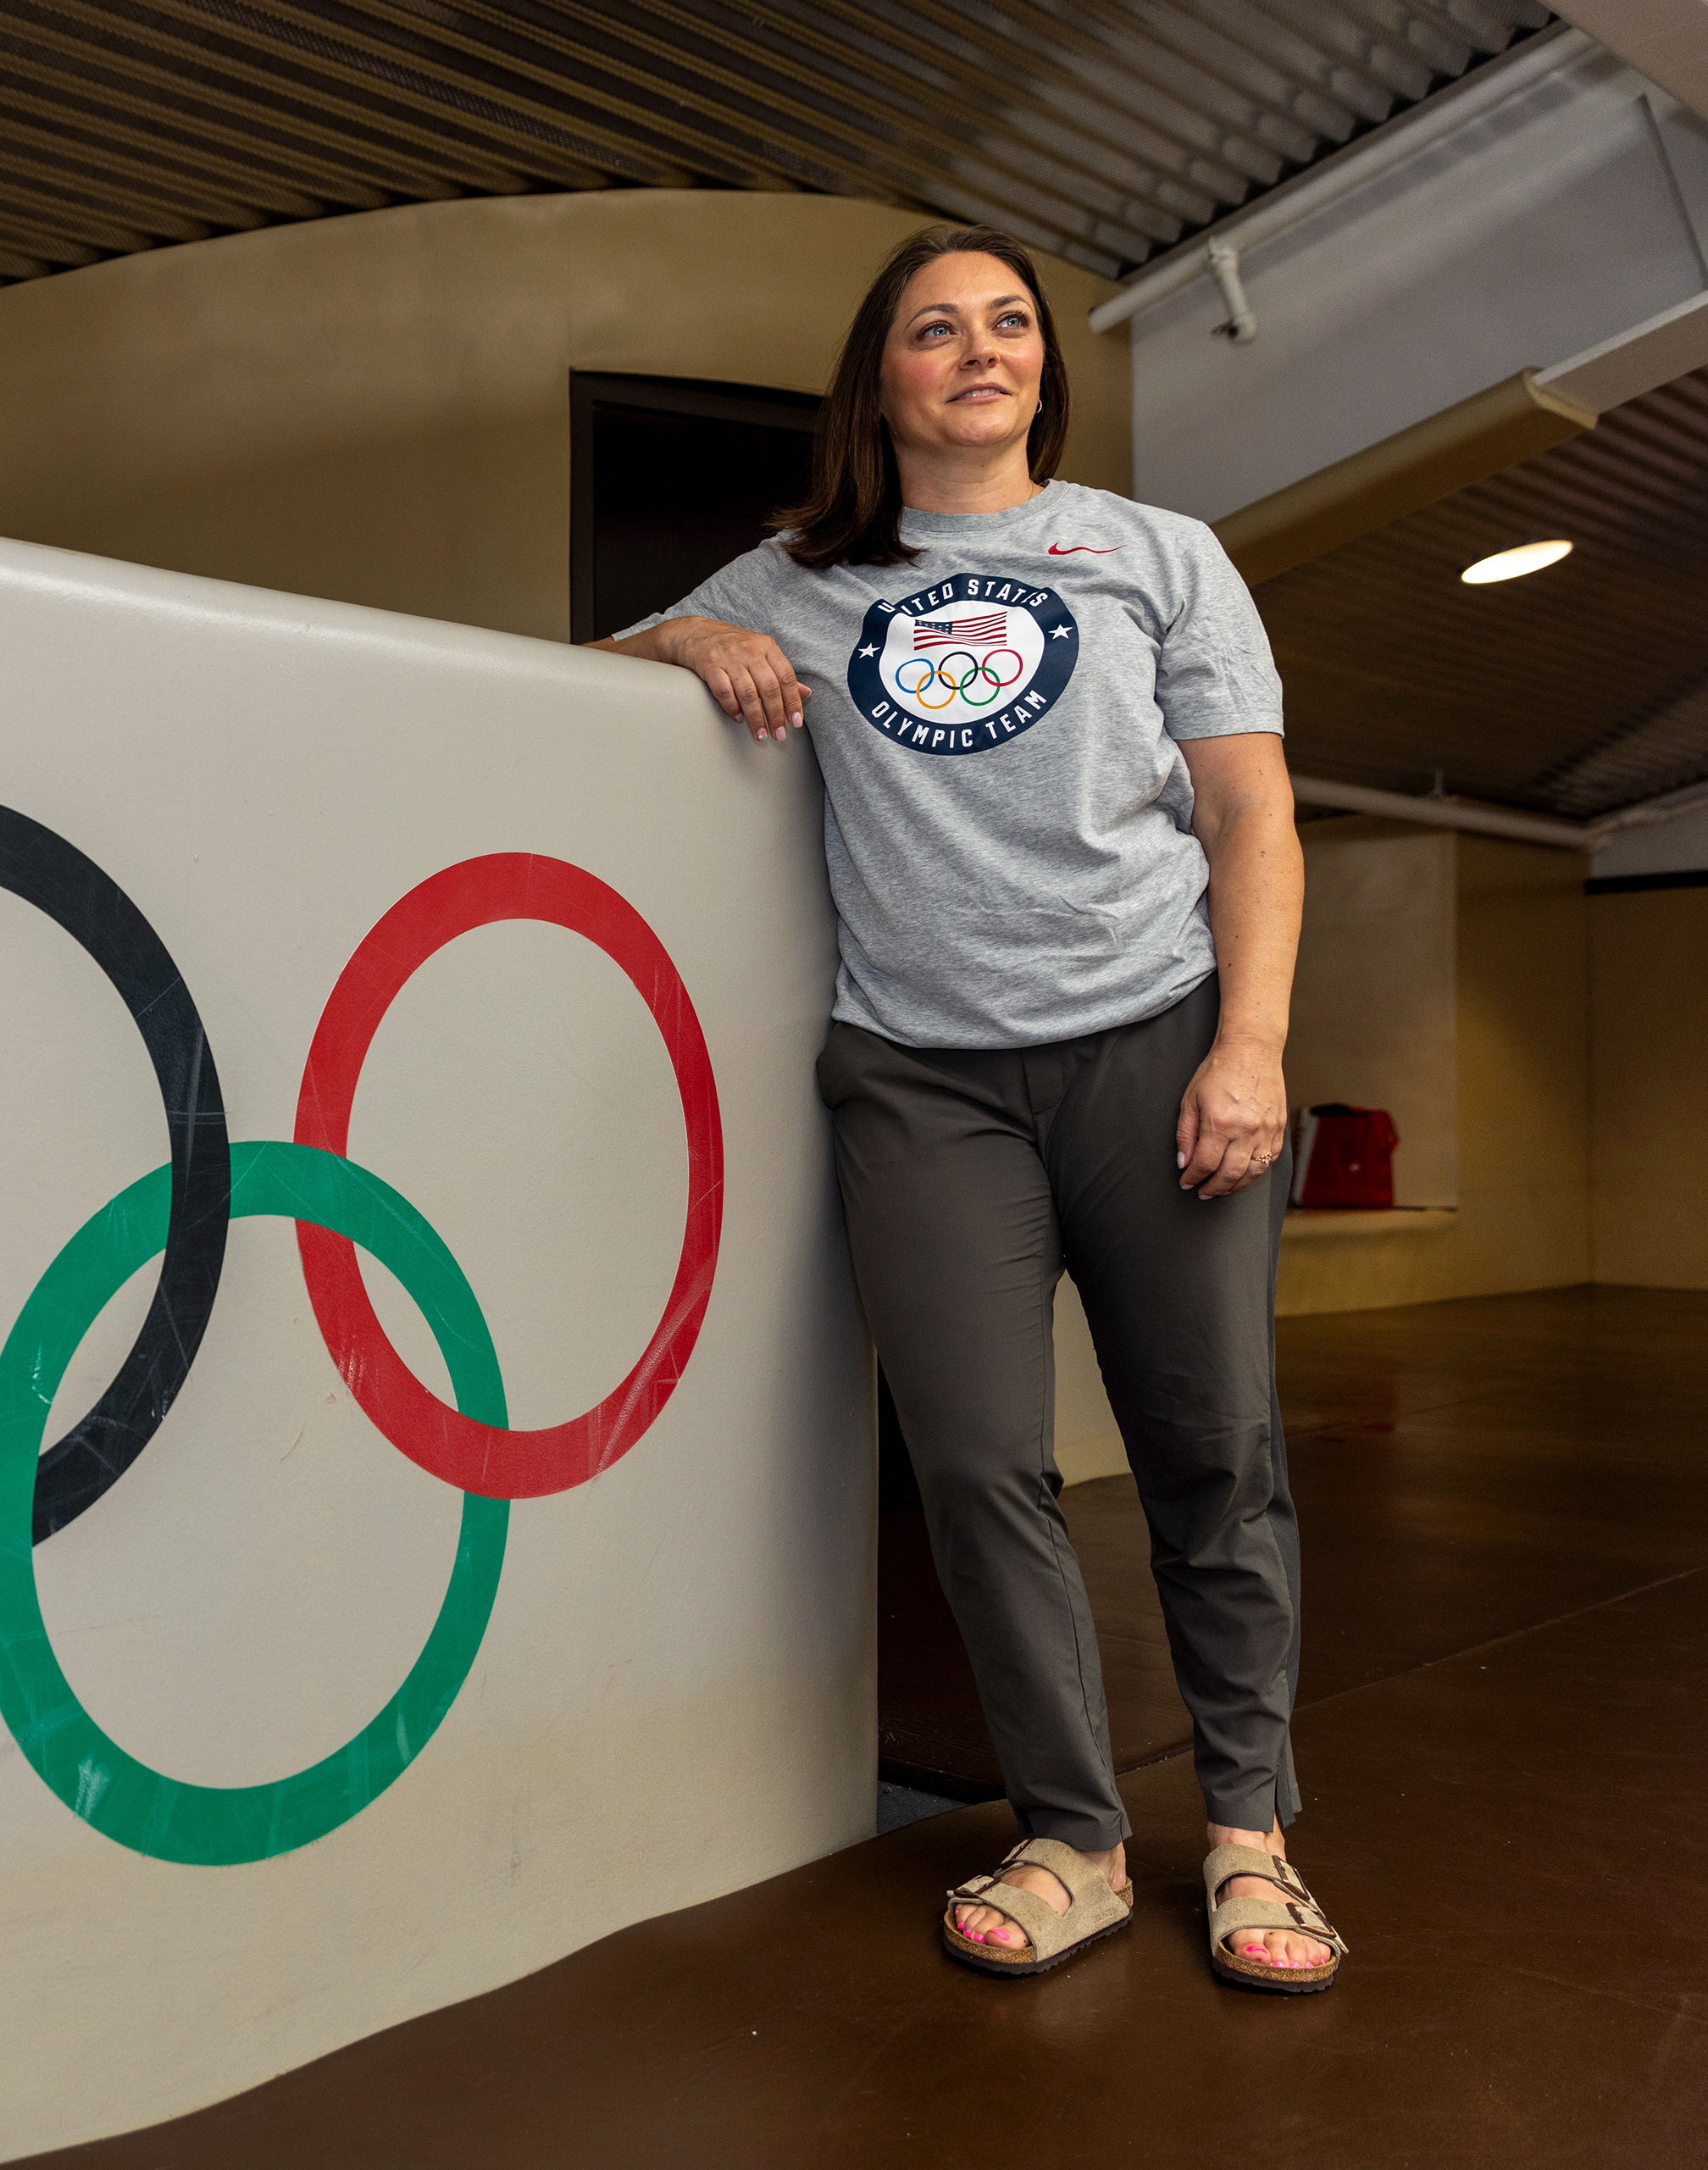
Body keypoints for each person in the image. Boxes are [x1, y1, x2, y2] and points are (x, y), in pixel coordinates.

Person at [598, 225, 1341, 1992]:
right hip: (922, 1077)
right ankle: (1073, 1834)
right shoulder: (800, 572)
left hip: (1156, 1042)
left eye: (1009, 323)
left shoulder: (1154, 552)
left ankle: (1251, 1833)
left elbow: (1252, 818)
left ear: (1042, 371)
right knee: (981, 1467)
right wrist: (691, 638)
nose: (981, 349)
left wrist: (1253, 1048)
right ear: (884, 380)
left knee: (1211, 1453)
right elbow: (595, 668)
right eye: (937, 328)